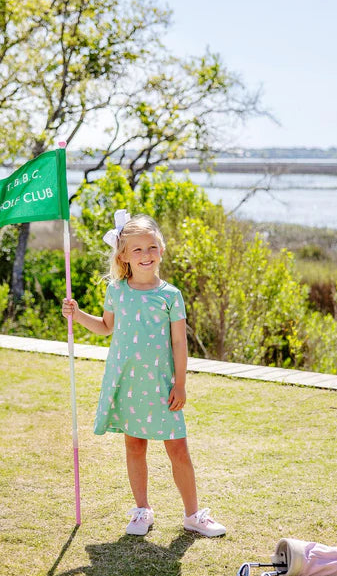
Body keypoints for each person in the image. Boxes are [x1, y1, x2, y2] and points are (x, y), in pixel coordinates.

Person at [62, 210, 226, 538]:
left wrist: (181, 383)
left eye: (151, 247)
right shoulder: (117, 291)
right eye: (137, 249)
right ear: (123, 256)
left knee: (177, 447)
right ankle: (142, 510)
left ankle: (193, 514)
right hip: (128, 382)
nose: (146, 255)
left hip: (163, 385)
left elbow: (179, 343)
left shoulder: (170, 296)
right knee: (134, 444)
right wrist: (78, 315)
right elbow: (106, 327)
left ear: (161, 250)